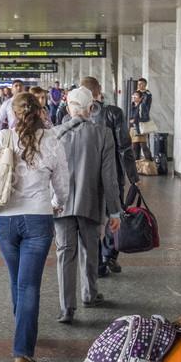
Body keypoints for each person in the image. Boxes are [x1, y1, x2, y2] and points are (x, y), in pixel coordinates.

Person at [0, 92, 69, 362]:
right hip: (39, 219)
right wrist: (58, 204)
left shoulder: (3, 138)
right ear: (41, 112)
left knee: (17, 280)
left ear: (12, 114)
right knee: (29, 285)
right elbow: (63, 183)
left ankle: (23, 329)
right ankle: (22, 351)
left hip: (5, 220)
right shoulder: (51, 140)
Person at [52, 87, 122, 323]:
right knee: (90, 250)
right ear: (91, 108)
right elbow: (109, 178)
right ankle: (89, 294)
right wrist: (114, 211)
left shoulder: (55, 134)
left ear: (68, 107)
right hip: (90, 202)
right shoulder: (103, 134)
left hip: (59, 206)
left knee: (64, 254)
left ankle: (66, 308)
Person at [69, 76, 138, 276]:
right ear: (98, 91)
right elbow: (124, 146)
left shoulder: (69, 117)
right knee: (114, 215)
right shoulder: (114, 113)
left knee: (90, 220)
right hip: (112, 173)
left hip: (83, 176)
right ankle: (109, 255)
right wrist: (133, 176)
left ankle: (97, 260)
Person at [129, 90, 151, 161]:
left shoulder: (142, 105)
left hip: (140, 129)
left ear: (141, 98)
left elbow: (146, 118)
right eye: (133, 95)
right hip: (133, 129)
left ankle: (150, 166)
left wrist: (135, 120)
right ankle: (136, 166)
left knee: (143, 147)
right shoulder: (132, 106)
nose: (133, 96)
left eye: (136, 95)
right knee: (134, 147)